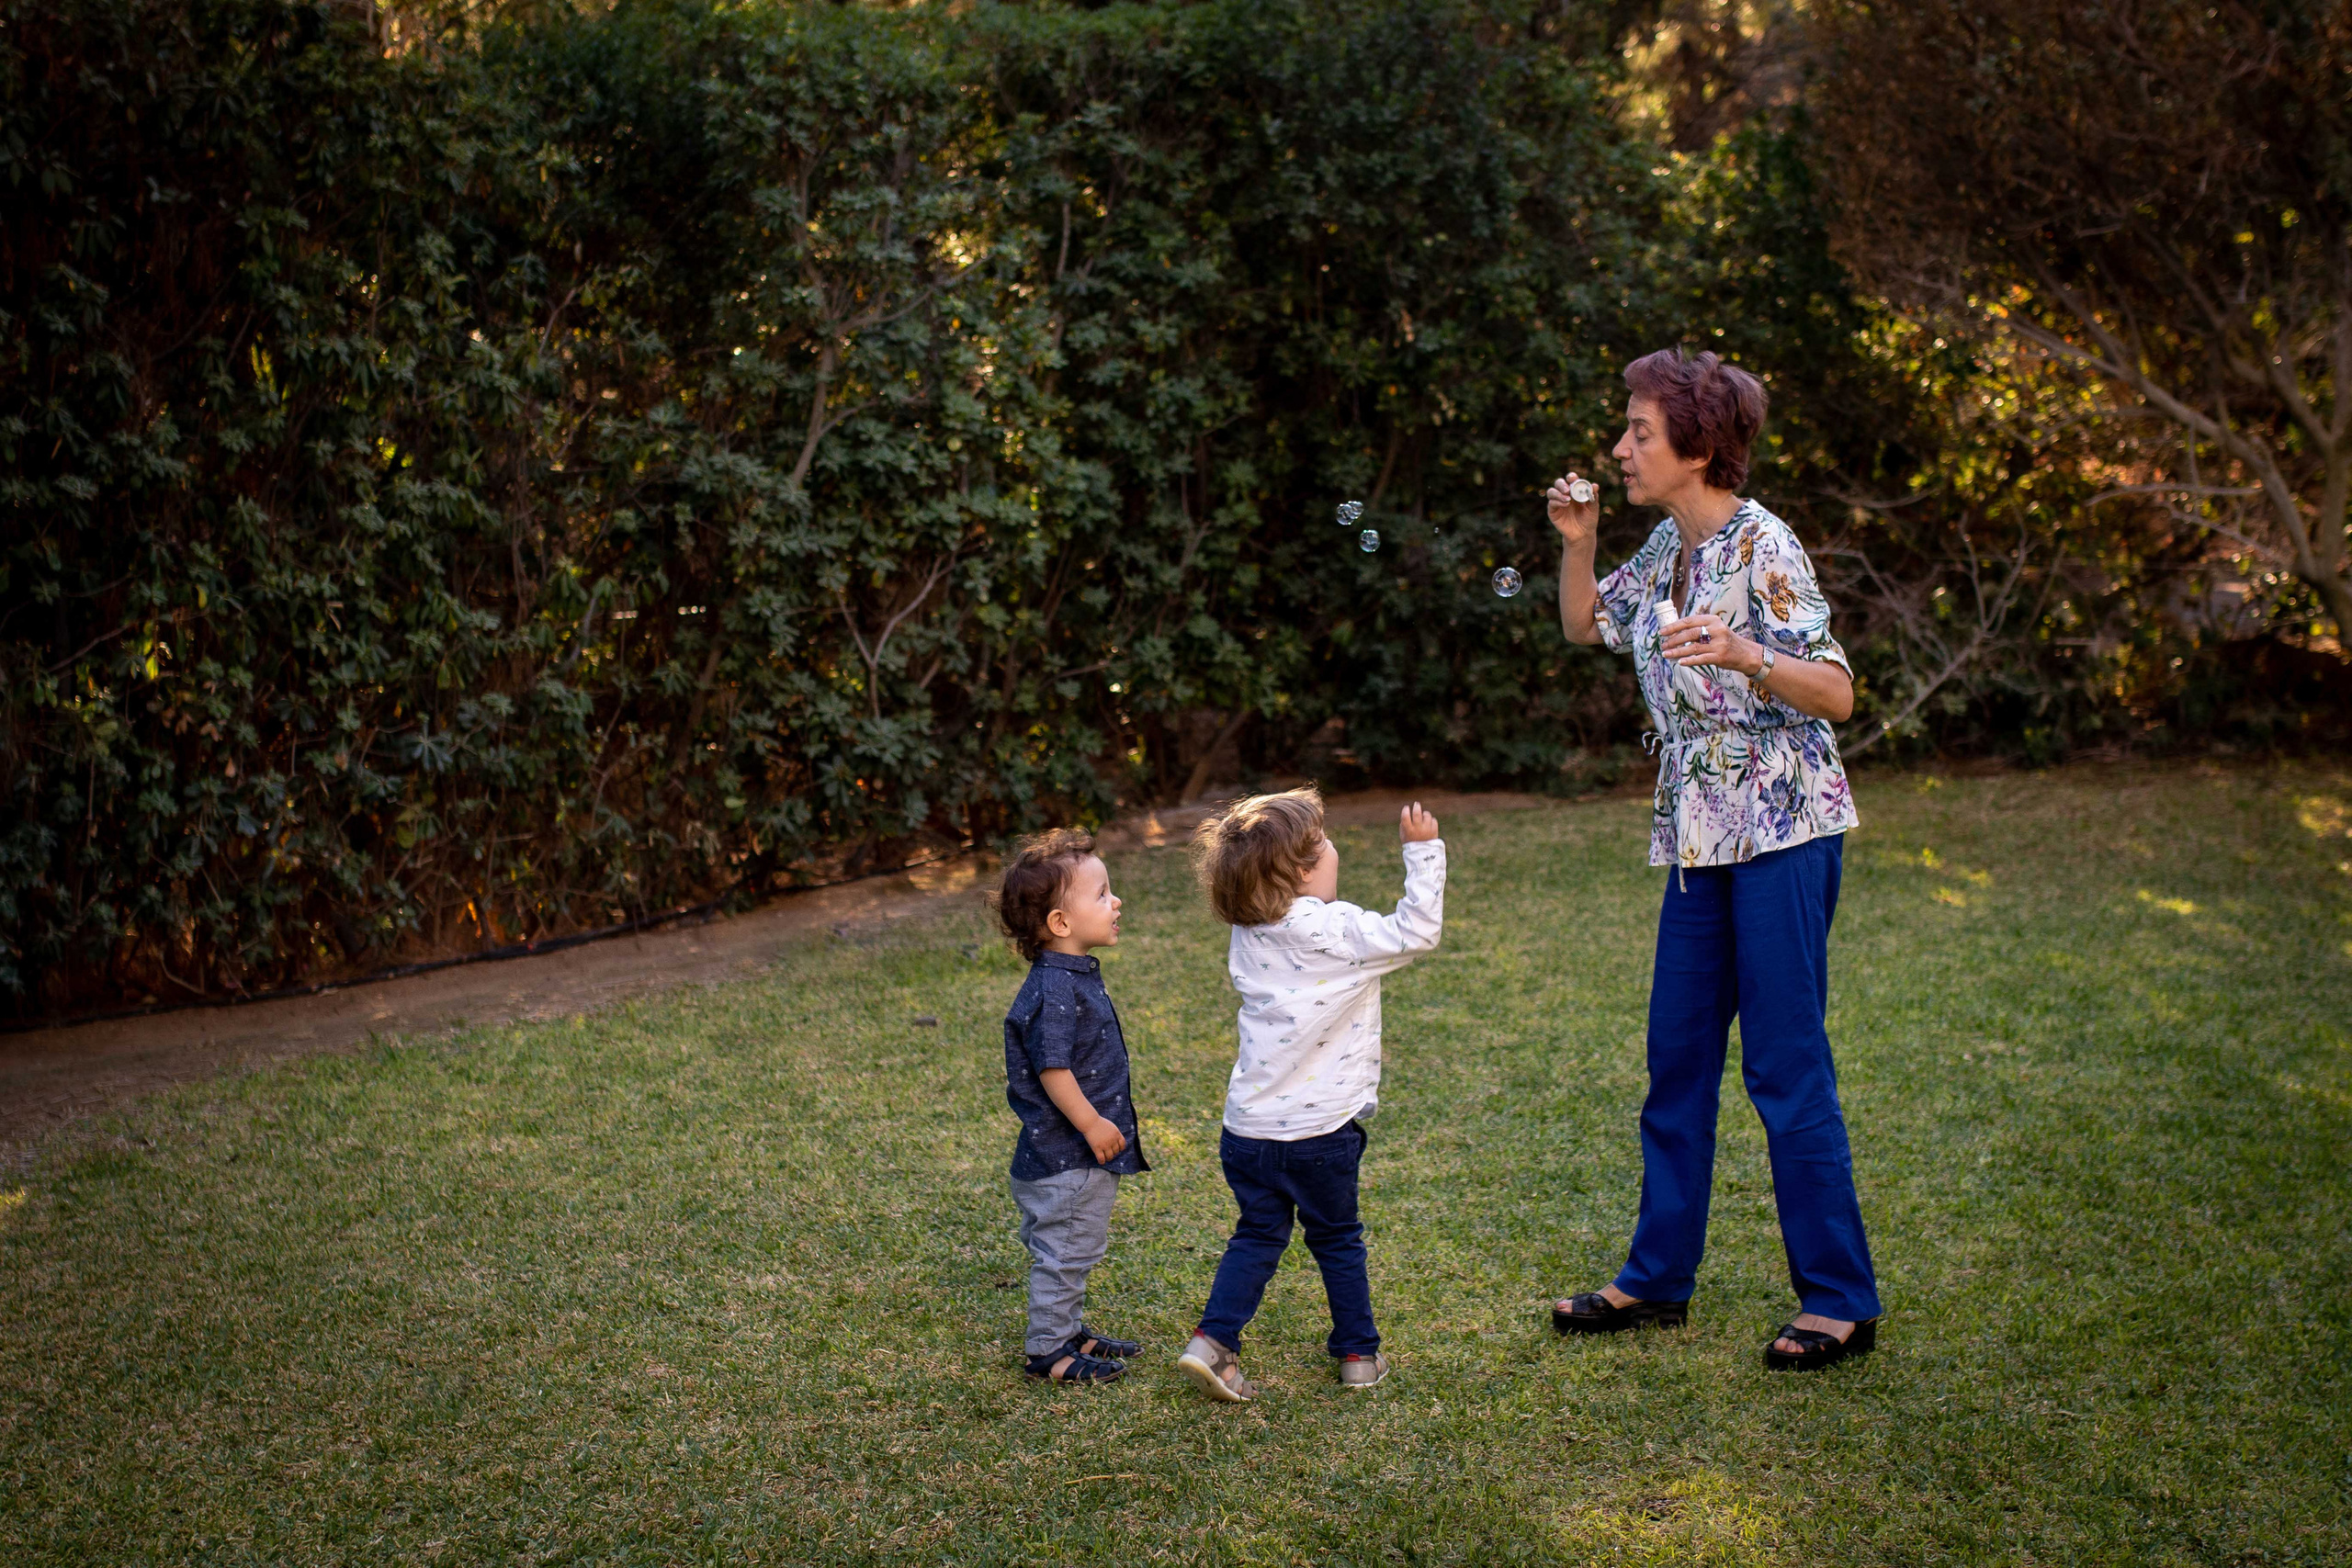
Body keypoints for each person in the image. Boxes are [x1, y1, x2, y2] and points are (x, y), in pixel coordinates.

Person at [1544, 347, 1882, 1372]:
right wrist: (1580, 541)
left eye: (1639, 431)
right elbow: (1584, 622)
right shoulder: (1666, 547)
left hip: (1782, 831)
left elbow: (1835, 692)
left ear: (1697, 444)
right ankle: (1655, 1279)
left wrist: (1746, 655)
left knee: (1784, 1068)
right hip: (1696, 837)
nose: (1620, 445)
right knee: (1676, 1064)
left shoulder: (1763, 545)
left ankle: (1838, 1298)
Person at [1175, 789, 1445, 1401]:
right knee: (1337, 1237)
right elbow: (1418, 930)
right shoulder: (1338, 930)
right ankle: (1358, 1354)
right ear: (1301, 869)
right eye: (1323, 841)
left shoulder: (1249, 933)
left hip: (1246, 1134)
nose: (1334, 848)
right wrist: (1424, 853)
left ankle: (1213, 1341)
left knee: (1258, 1232)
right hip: (1320, 1134)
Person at [994, 829, 1149, 1384]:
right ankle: (1048, 1354)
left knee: (1074, 1249)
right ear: (1061, 924)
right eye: (1103, 893)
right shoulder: (1054, 989)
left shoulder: (1065, 976)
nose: (1116, 901)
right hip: (1067, 1160)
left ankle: (1069, 1331)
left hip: (1067, 1159)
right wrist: (1090, 1123)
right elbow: (1052, 1069)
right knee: (1064, 1254)